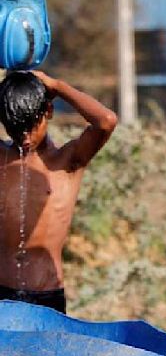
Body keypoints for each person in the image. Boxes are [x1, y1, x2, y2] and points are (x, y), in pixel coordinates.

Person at [0, 71, 117, 313]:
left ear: (49, 111)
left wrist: (57, 85)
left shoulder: (68, 161)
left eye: (31, 126)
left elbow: (106, 120)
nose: (24, 137)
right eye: (15, 128)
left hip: (47, 295)